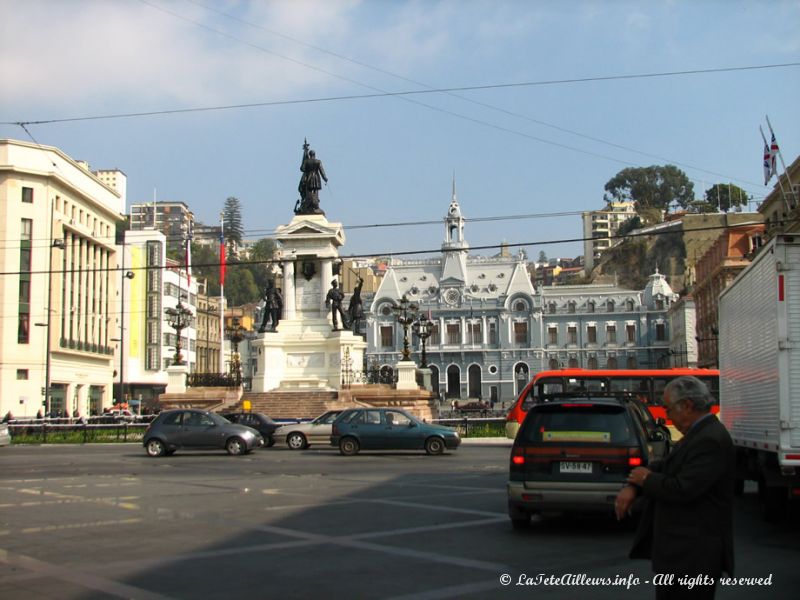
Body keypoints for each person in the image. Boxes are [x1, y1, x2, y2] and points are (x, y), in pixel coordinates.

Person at [615, 376, 734, 599]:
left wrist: (644, 480)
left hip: (692, 556)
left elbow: (683, 488)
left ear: (687, 406)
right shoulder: (699, 434)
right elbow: (666, 466)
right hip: (683, 554)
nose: (667, 416)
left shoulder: (710, 439)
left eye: (668, 409)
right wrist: (634, 485)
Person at [296, 140, 328, 214]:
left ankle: (309, 205)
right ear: (314, 154)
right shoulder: (318, 161)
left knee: (309, 192)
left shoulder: (306, 161)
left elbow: (302, 169)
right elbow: (322, 171)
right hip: (316, 178)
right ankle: (315, 206)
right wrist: (325, 178)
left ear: (310, 155)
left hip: (309, 178)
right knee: (315, 191)